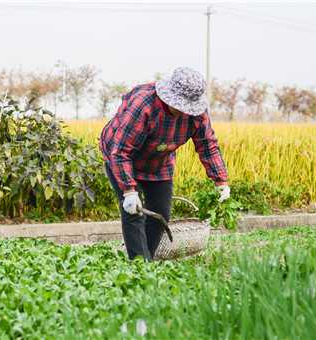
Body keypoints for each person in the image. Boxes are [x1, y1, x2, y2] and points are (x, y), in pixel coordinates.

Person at [99, 66, 230, 261]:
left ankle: (147, 259)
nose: (185, 111)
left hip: (159, 162)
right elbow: (120, 151)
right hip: (122, 157)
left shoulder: (197, 115)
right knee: (134, 212)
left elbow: (207, 145)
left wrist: (221, 182)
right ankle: (139, 266)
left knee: (161, 213)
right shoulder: (143, 106)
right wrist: (129, 191)